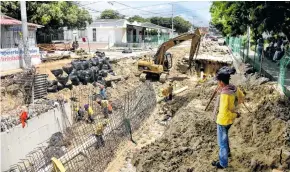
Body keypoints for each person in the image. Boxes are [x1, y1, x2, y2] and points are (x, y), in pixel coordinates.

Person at [212, 67, 245, 169]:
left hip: (223, 121)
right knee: (225, 138)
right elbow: (242, 96)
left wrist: (235, 114)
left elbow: (224, 113)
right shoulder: (234, 88)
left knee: (222, 143)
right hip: (230, 120)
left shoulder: (225, 95)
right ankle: (228, 153)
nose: (218, 83)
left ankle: (223, 163)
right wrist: (235, 107)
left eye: (218, 82)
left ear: (221, 82)